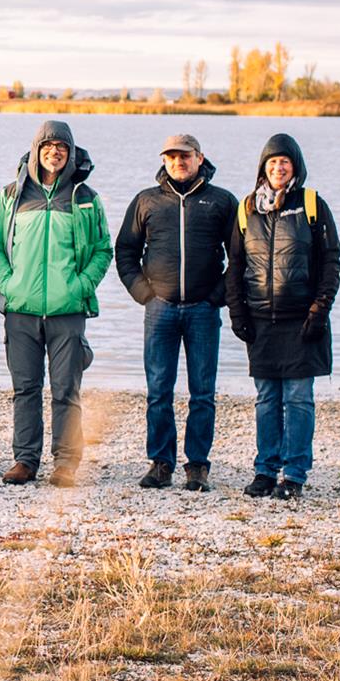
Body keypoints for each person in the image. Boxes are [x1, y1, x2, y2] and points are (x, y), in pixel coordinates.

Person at [0, 120, 111, 487]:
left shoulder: (86, 198)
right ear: (36, 150)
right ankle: (25, 460)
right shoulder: (12, 195)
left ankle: (66, 463)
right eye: (47, 146)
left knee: (65, 390)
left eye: (61, 147)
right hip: (20, 310)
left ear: (70, 153)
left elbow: (104, 249)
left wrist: (82, 285)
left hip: (67, 310)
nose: (54, 152)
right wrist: (8, 284)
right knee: (25, 388)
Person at [115, 133, 238, 492]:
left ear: (200, 157)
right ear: (164, 161)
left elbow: (240, 256)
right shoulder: (147, 201)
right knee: (158, 391)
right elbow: (126, 251)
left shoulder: (221, 201)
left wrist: (219, 295)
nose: (178, 162)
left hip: (203, 310)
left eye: (184, 156)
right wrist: (144, 293)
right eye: (171, 157)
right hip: (160, 310)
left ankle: (197, 466)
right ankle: (161, 463)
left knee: (202, 392)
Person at [226, 134, 340, 501]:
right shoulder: (247, 209)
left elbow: (331, 262)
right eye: (272, 162)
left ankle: (294, 475)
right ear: (263, 168)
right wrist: (237, 313)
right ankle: (265, 470)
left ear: (295, 167)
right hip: (261, 320)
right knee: (266, 399)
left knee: (299, 399)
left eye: (285, 162)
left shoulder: (311, 205)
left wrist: (319, 310)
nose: (278, 168)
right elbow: (235, 265)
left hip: (302, 319)